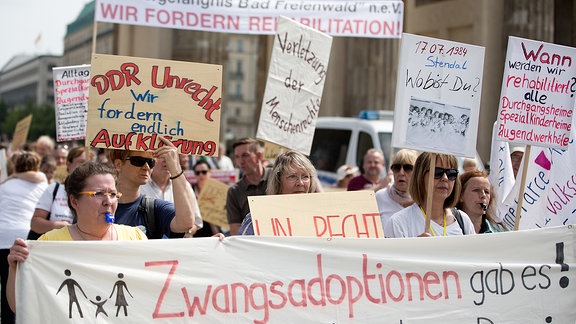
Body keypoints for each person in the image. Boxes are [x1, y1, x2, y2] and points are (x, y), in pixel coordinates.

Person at [6, 162, 147, 314]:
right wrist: (14, 269)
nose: (108, 201)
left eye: (113, 194)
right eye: (99, 194)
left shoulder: (135, 238)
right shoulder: (49, 244)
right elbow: (20, 306)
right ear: (74, 201)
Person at [110, 136, 201, 238]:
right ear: (118, 164)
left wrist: (175, 167)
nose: (146, 167)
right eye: (138, 161)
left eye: (151, 162)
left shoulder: (154, 209)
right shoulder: (100, 205)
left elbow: (185, 224)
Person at [0, 151, 48, 323]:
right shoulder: (43, 184)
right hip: (24, 239)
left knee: (7, 288)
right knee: (25, 289)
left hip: (3, 238)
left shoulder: (4, 186)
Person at [388, 152, 475, 238]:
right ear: (420, 176)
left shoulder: (463, 221)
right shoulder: (398, 223)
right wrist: (415, 250)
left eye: (451, 173)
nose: (445, 178)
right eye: (437, 172)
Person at [238, 150, 319, 235]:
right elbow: (239, 246)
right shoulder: (258, 217)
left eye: (305, 177)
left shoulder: (321, 216)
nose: (300, 183)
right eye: (292, 176)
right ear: (278, 181)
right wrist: (224, 242)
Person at [30, 147, 93, 238]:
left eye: (89, 163)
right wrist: (57, 226)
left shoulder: (96, 194)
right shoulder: (54, 189)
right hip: (53, 247)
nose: (86, 167)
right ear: (68, 164)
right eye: (81, 162)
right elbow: (35, 224)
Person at [140, 154, 203, 237]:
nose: (165, 160)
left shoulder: (184, 185)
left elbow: (196, 223)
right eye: (160, 156)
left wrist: (185, 231)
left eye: (169, 155)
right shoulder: (140, 185)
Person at [226, 138, 270, 235]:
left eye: (245, 155)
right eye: (237, 157)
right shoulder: (234, 191)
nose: (241, 161)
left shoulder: (277, 177)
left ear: (259, 156)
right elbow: (235, 230)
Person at [375, 149, 418, 237]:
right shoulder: (380, 197)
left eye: (408, 168)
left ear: (417, 172)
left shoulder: (423, 201)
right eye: (396, 168)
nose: (401, 173)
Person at [190, 160, 220, 237]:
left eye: (204, 172)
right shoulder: (189, 190)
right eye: (197, 173)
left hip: (214, 232)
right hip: (195, 232)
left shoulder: (217, 191)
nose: (201, 175)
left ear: (210, 173)